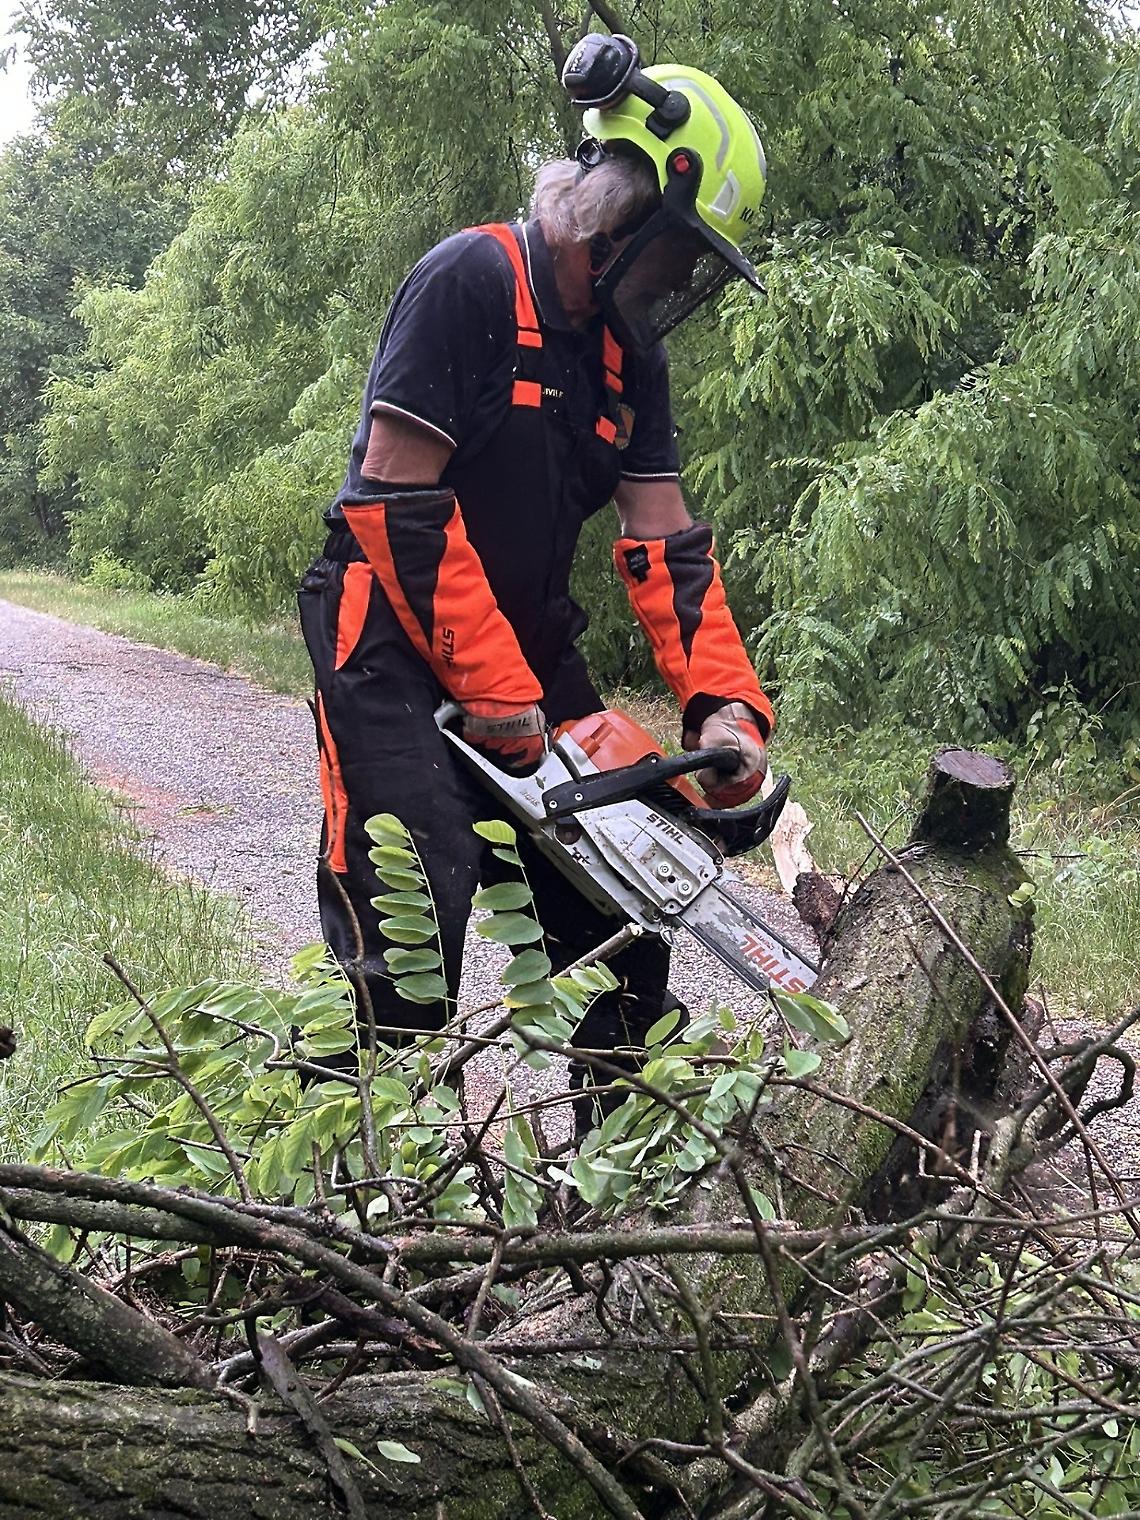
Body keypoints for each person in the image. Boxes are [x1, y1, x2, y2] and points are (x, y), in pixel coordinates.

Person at [298, 35, 775, 1121]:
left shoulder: (625, 355)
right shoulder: (469, 279)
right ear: (624, 204)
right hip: (386, 640)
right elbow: (394, 500)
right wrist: (493, 685)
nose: (679, 279)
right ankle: (314, 1209)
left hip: (523, 646)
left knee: (624, 925)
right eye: (679, 252)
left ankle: (610, 1223)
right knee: (411, 937)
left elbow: (667, 544)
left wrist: (725, 706)